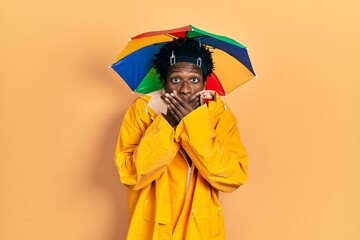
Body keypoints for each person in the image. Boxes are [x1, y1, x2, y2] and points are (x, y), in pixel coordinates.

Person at [114, 38, 248, 239]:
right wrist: (167, 123)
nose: (185, 89)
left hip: (200, 229)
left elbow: (232, 178)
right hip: (153, 229)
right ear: (164, 82)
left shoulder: (218, 114)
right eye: (176, 79)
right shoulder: (143, 111)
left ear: (204, 82)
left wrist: (194, 124)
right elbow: (131, 174)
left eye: (194, 79)